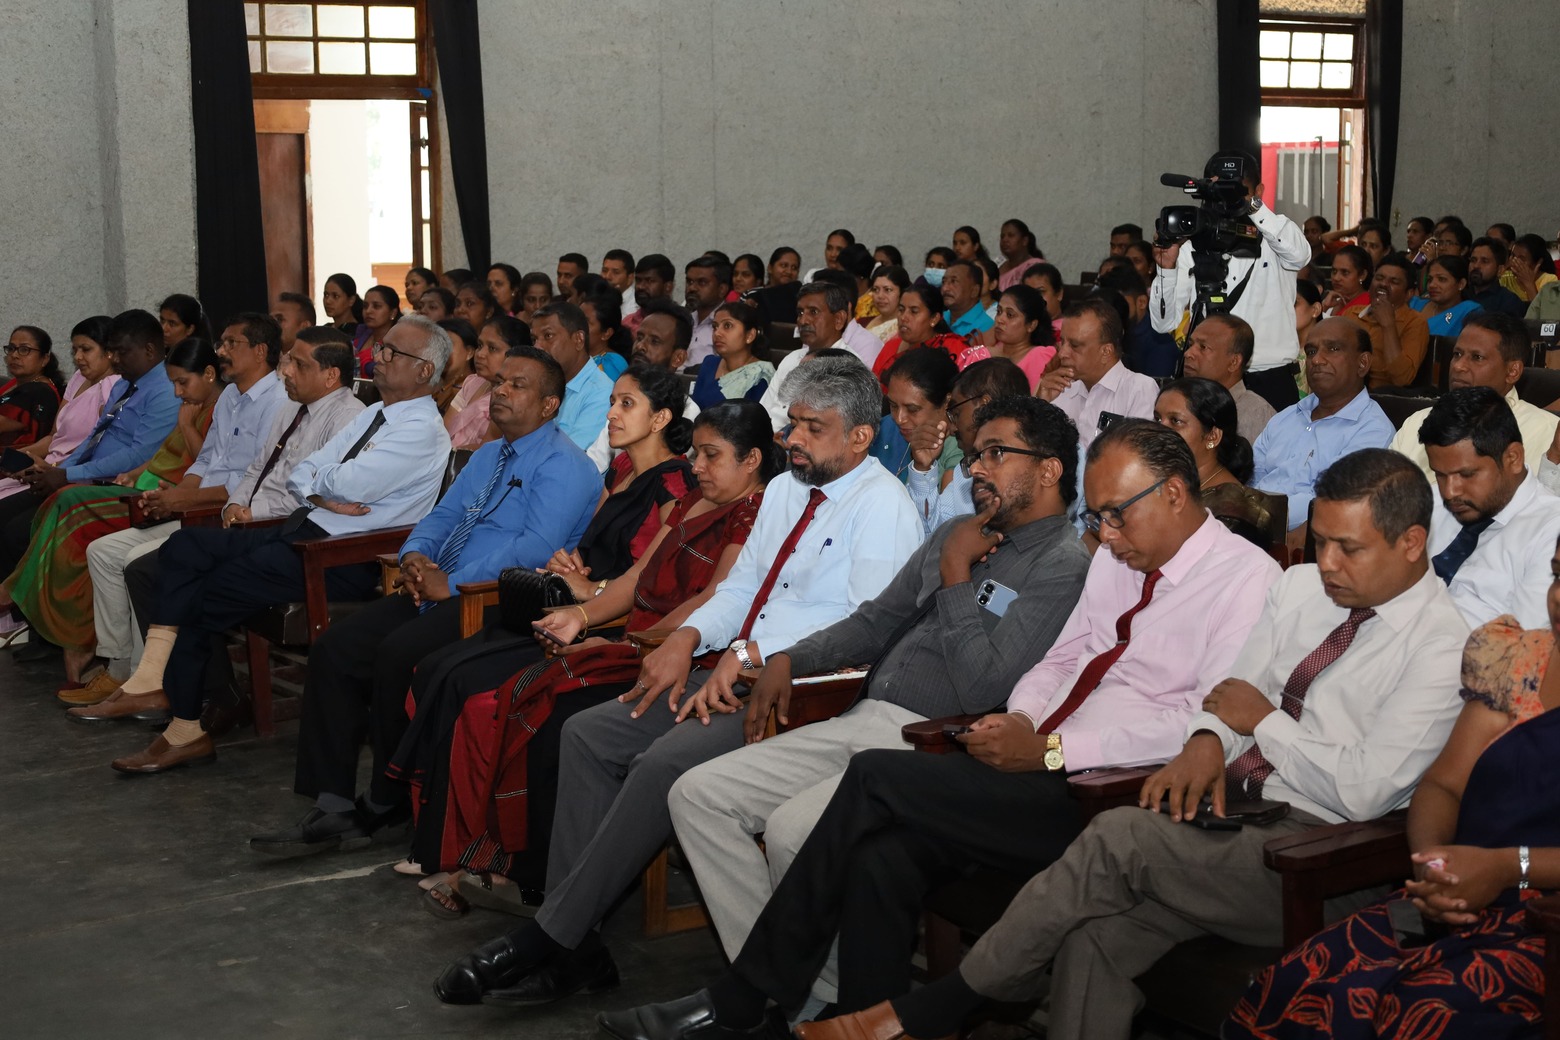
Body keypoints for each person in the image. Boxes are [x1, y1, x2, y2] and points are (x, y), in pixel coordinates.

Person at [601, 420, 1282, 1036]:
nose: (1105, 533)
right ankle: (853, 1020)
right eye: (1098, 515)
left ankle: (746, 995)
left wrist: (1052, 749)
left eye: (1117, 515)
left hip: (1113, 796)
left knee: (874, 776)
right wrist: (1019, 720)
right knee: (881, 857)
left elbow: (1201, 724)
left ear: (1173, 494)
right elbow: (1066, 657)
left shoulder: (1246, 580)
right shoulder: (1115, 559)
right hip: (1036, 766)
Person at [784, 448, 1468, 1040]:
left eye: (1349, 548)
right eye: (1319, 541)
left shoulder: (1443, 644)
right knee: (1095, 938)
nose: (1327, 563)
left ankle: (937, 1010)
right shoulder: (1299, 589)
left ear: (1411, 543)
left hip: (1317, 856)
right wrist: (1207, 738)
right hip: (1227, 815)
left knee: (1121, 838)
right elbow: (1226, 693)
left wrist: (1264, 723)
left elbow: (1362, 789)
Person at [431, 357, 923, 1008]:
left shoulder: (884, 509)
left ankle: (555, 937)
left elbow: (861, 630)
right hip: (725, 667)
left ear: (861, 437)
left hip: (797, 695)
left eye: (812, 428)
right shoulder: (785, 491)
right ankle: (579, 944)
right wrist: (688, 636)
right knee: (588, 734)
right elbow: (741, 587)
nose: (794, 440)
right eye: (793, 425)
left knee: (664, 762)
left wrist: (747, 655)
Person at [667, 396, 1093, 975]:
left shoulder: (1062, 565)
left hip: (931, 744)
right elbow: (874, 621)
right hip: (860, 716)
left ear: (1049, 470)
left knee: (793, 832)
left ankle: (790, 995)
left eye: (996, 454)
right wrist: (789, 657)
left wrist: (956, 575)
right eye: (973, 455)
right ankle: (784, 988)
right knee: (697, 796)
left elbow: (981, 687)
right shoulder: (956, 530)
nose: (975, 469)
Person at [389, 403, 779, 909]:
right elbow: (637, 578)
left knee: (551, 718)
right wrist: (584, 618)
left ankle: (546, 881)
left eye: (711, 456)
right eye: (696, 453)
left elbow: (714, 601)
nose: (696, 466)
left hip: (681, 656)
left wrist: (626, 642)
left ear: (751, 461)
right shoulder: (695, 501)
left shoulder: (756, 513)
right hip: (634, 640)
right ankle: (492, 860)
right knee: (493, 684)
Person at [245, 344, 600, 851]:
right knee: (337, 647)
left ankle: (389, 802)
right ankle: (334, 803)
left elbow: (536, 550)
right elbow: (442, 515)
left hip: (503, 597)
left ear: (548, 406)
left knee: (397, 655)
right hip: (441, 585)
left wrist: (450, 583)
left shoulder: (565, 465)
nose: (500, 390)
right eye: (499, 380)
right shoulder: (488, 456)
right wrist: (415, 554)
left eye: (517, 385)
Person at [87, 314, 454, 773]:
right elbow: (307, 473)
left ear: (424, 371)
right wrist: (323, 489)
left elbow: (349, 484)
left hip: (339, 556)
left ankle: (182, 725)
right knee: (183, 550)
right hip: (304, 526)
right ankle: (160, 690)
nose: (377, 359)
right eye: (380, 349)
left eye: (391, 353)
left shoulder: (419, 429)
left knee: (197, 590)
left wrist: (322, 486)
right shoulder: (379, 414)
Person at [1226, 593, 1560, 1039]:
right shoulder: (1522, 658)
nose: (1558, 595)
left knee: (1419, 1011)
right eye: (1558, 572)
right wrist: (1433, 865)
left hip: (1546, 920)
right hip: (1460, 890)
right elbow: (1443, 785)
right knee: (1298, 981)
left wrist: (1504, 868)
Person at [68, 328, 366, 711]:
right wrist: (232, 508)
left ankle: (193, 695)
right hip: (246, 519)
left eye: (297, 363)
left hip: (285, 530)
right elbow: (255, 469)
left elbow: (312, 495)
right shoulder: (291, 407)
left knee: (169, 571)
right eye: (288, 360)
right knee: (162, 560)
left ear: (330, 376)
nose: (286, 370)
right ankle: (184, 688)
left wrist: (248, 513)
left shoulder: (347, 418)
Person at [1, 336, 231, 682]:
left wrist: (183, 428)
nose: (177, 391)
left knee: (71, 510)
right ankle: (90, 648)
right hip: (144, 486)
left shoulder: (217, 406)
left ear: (210, 374)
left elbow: (211, 465)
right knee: (61, 508)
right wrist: (135, 474)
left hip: (173, 500)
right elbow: (158, 454)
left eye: (183, 382)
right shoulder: (147, 392)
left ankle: (68, 631)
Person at [0, 311, 179, 586]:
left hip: (118, 487)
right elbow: (96, 436)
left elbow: (139, 455)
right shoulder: (124, 384)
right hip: (84, 477)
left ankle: (24, 616)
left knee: (17, 532)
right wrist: (58, 470)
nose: (115, 360)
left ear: (149, 350)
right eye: (112, 351)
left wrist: (67, 476)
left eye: (121, 352)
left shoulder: (165, 391)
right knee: (5, 514)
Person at [1150, 151, 1310, 411]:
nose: (1224, 201)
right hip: (1209, 380)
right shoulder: (1192, 244)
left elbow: (1300, 256)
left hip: (1269, 380)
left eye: (1234, 192)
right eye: (1217, 191)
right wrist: (1165, 270)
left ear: (1258, 190)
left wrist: (1252, 206)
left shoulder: (1276, 237)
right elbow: (1163, 323)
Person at [1419, 386, 1560, 629]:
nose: (1450, 492)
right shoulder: (1429, 502)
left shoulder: (1551, 532)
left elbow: (1522, 649)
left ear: (1513, 458)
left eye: (1466, 474)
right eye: (1440, 474)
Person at [1252, 317, 1394, 535]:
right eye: (1310, 352)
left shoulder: (1373, 431)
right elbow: (1252, 476)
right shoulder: (1287, 417)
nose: (1317, 360)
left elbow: (1337, 505)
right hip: (1249, 528)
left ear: (1362, 363)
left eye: (1333, 349)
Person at [1390, 312, 1559, 480]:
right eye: (1457, 354)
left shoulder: (1544, 431)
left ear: (1512, 371)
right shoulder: (1417, 421)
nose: (1459, 366)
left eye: (1477, 357)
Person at [0, 316, 118, 505]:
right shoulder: (79, 377)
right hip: (49, 466)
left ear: (110, 352)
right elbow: (54, 436)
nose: (78, 357)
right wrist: (24, 457)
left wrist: (54, 469)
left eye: (86, 349)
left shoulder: (115, 387)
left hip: (75, 476)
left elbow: (100, 448)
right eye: (75, 350)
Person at [1152, 377, 1279, 547]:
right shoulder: (1159, 486)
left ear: (1212, 436)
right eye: (1158, 419)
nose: (1160, 431)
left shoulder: (1237, 512)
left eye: (1175, 421)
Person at [909, 358, 1030, 534]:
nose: (952, 427)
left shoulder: (1045, 456)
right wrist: (922, 469)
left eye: (956, 413)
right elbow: (933, 532)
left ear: (984, 406)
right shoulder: (965, 470)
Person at [1042, 298, 1159, 458]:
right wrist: (1041, 404)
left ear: (1106, 351)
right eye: (1062, 342)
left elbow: (1138, 459)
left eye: (1074, 345)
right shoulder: (1061, 389)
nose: (1062, 353)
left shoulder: (1139, 389)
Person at [761, 281, 856, 431]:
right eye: (800, 313)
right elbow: (763, 411)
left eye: (813, 312)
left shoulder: (849, 367)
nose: (803, 320)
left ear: (838, 319)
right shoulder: (792, 358)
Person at [1180, 313, 1275, 443]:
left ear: (1234, 362)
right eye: (1190, 345)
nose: (1188, 353)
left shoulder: (1254, 413)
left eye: (1203, 347)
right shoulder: (1180, 402)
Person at [871, 348, 961, 484]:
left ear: (947, 403)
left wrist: (923, 468)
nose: (899, 419)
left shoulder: (961, 450)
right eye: (893, 406)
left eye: (912, 409)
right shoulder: (884, 430)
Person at [1343, 254, 1431, 387]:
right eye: (1379, 278)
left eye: (1394, 282)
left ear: (1409, 294)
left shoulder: (1415, 322)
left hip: (1384, 399)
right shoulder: (1352, 313)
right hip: (1343, 389)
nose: (1383, 284)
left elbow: (1402, 379)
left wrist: (1388, 325)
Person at [871, 284, 986, 383]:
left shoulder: (954, 348)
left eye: (914, 311)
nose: (903, 317)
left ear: (934, 319)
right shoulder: (891, 346)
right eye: (901, 310)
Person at [446, 315, 527, 450]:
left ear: (515, 354)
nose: (480, 354)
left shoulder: (515, 397)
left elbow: (489, 449)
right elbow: (445, 430)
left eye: (492, 348)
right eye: (480, 345)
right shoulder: (472, 383)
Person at [1097, 264, 1179, 378]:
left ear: (1141, 302)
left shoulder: (1161, 344)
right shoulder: (1099, 335)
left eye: (1120, 302)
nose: (1111, 309)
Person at [691, 301, 775, 410]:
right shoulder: (709, 363)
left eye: (727, 326)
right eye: (715, 326)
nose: (717, 333)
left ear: (750, 335)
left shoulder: (760, 375)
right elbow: (694, 409)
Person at [1, 326, 65, 447]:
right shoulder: (16, 382)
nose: (14, 355)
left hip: (14, 462)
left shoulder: (39, 391)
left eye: (24, 350)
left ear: (45, 359)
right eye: (11, 348)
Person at [985, 285, 1055, 392]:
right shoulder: (980, 355)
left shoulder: (1042, 358)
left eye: (1010, 315)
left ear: (1031, 325)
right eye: (999, 312)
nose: (1000, 319)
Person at [1409, 254, 1483, 338]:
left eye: (1441, 279)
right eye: (1430, 280)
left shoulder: (1469, 311)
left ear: (1461, 284)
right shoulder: (1413, 304)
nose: (1432, 285)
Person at [683, 256, 732, 367]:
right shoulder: (680, 319)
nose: (692, 288)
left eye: (702, 283)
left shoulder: (731, 325)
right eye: (689, 282)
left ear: (722, 289)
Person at [1465, 236, 1527, 318]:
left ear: (1500, 270)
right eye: (1473, 260)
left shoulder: (1508, 301)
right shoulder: (1459, 295)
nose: (1476, 266)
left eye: (1485, 261)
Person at [579, 288, 631, 381]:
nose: (576, 325)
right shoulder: (576, 354)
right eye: (577, 318)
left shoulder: (612, 364)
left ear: (606, 333)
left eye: (586, 322)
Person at [351, 285, 402, 377]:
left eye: (376, 306)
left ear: (393, 313)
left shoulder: (399, 343)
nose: (368, 311)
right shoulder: (361, 335)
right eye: (365, 306)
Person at [431, 317, 479, 415]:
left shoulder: (474, 394)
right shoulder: (427, 387)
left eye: (447, 344)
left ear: (469, 352)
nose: (440, 351)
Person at [940, 260, 994, 340]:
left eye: (954, 281)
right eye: (944, 282)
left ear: (974, 291)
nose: (945, 288)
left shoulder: (986, 327)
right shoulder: (939, 318)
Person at [623, 254, 676, 336]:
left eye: (650, 281)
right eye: (638, 280)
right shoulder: (627, 323)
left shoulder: (678, 324)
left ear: (668, 287)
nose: (640, 286)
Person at [1322, 244, 1373, 317]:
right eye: (1334, 271)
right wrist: (1325, 307)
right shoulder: (1332, 301)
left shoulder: (1368, 306)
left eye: (1345, 272)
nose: (1336, 278)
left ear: (1362, 275)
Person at [862, 265, 909, 345]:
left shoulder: (905, 327)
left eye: (888, 290)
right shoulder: (863, 321)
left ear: (902, 293)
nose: (880, 296)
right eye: (876, 289)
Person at [1507, 232, 1557, 302]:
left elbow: (1542, 312)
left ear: (1538, 263)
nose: (1514, 261)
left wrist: (1529, 284)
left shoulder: (1549, 281)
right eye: (1512, 255)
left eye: (1521, 259)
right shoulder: (1506, 278)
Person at [997, 218, 1045, 290]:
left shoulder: (1036, 266)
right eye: (1002, 236)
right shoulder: (998, 265)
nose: (1005, 240)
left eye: (1011, 235)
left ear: (1024, 240)